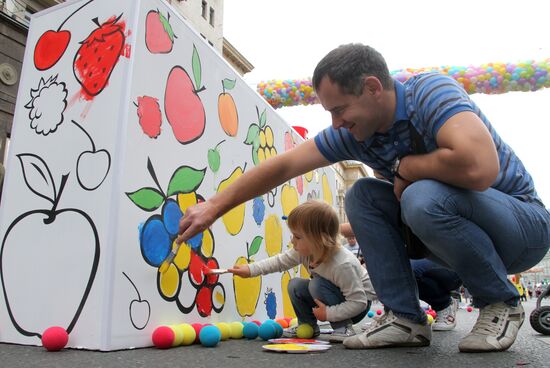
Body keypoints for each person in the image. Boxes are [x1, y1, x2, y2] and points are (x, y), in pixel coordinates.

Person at [177, 44, 550, 353]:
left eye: (340, 109)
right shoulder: (354, 134)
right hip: (456, 240)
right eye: (330, 113)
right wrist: (213, 206)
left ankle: (500, 302)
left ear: (373, 87)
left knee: (419, 195)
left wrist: (407, 169)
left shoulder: (429, 93)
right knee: (363, 195)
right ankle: (405, 318)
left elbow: (479, 168)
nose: (337, 123)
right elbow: (282, 166)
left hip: (521, 227)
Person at [228, 200, 375, 342]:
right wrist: (250, 269)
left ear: (319, 239)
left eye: (298, 237)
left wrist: (328, 313)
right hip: (336, 297)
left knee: (316, 284)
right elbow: (279, 262)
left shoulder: (342, 264)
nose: (292, 241)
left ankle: (343, 328)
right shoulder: (304, 251)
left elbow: (359, 302)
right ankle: (307, 326)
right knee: (295, 285)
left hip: (357, 307)